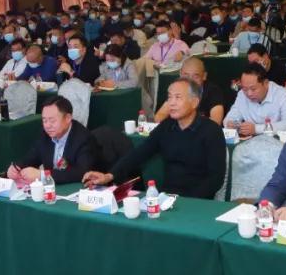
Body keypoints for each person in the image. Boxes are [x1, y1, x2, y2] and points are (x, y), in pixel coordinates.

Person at [84, 79, 226, 198]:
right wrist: (109, 176)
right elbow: (139, 153)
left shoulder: (211, 131)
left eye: (178, 97)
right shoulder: (166, 126)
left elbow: (216, 178)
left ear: (194, 102)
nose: (171, 103)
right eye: (169, 97)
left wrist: (190, 200)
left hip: (199, 201)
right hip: (168, 197)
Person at [8, 96, 98, 184]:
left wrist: (42, 175)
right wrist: (17, 167)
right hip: (52, 188)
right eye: (44, 121)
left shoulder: (84, 138)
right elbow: (32, 157)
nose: (47, 126)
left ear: (68, 118)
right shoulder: (45, 134)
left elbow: (81, 173)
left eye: (52, 121)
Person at [224, 64, 286, 136]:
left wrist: (256, 129)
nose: (249, 94)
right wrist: (230, 124)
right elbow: (229, 118)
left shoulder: (283, 95)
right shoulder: (242, 95)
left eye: (253, 89)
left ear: (266, 83)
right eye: (245, 89)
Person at [153, 56, 226, 125]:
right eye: (186, 75)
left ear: (204, 76)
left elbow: (216, 121)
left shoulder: (213, 91)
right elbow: (159, 117)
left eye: (195, 76)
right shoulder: (176, 88)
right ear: (180, 74)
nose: (190, 80)